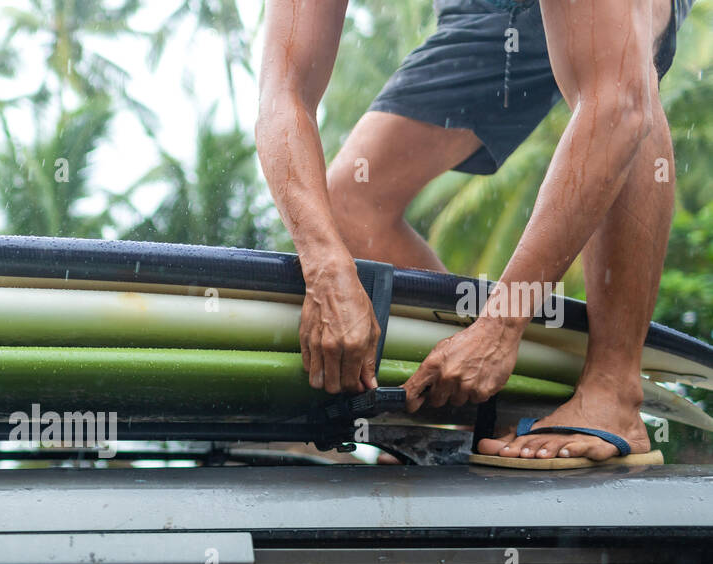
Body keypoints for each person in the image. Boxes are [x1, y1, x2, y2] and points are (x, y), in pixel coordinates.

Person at [256, 0, 693, 465]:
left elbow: (618, 104)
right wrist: (325, 267)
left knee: (622, 77)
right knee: (350, 203)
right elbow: (283, 93)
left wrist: (500, 325)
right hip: (482, 9)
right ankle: (466, 401)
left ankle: (613, 391)